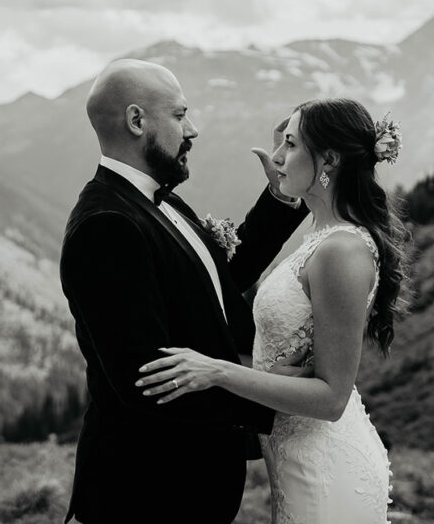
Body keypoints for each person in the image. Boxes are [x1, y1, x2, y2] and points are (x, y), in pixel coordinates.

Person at [59, 58, 310, 523]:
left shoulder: (161, 199)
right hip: (148, 494)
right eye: (179, 115)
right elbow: (148, 380)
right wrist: (281, 396)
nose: (192, 129)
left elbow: (216, 284)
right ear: (137, 121)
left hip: (190, 490)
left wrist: (281, 197)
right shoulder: (106, 226)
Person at [137, 97, 410, 524]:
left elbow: (331, 398)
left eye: (290, 144)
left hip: (325, 471)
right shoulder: (321, 235)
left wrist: (218, 371)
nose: (277, 157)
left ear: (330, 159)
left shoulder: (342, 250)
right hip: (294, 460)